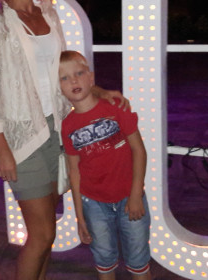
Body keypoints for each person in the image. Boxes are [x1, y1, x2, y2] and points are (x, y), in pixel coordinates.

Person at [0, 0, 126, 280]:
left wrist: (98, 91)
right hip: (22, 138)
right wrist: (1, 148)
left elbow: (60, 71)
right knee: (40, 235)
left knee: (48, 234)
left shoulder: (48, 15)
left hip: (57, 129)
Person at [58, 50, 151, 280]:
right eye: (65, 78)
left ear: (91, 77)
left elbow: (139, 150)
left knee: (139, 260)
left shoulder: (116, 107)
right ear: (59, 87)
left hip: (129, 197)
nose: (74, 81)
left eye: (79, 73)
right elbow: (74, 171)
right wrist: (80, 216)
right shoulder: (67, 126)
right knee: (104, 260)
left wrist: (136, 194)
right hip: (94, 204)